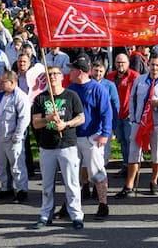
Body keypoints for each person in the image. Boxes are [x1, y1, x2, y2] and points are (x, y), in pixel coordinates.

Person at [30, 66, 85, 230]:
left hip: (67, 145)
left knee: (71, 183)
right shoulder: (40, 98)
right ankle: (45, 214)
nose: (52, 76)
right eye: (49, 74)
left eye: (56, 74)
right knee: (47, 184)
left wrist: (66, 124)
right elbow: (35, 123)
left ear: (62, 76)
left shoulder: (71, 96)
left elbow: (81, 117)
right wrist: (48, 119)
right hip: (47, 146)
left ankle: (76, 215)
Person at [117, 54, 158, 198]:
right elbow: (132, 100)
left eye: (157, 65)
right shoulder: (139, 81)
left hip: (157, 124)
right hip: (139, 123)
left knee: (157, 154)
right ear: (148, 65)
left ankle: (153, 181)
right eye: (152, 65)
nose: (154, 68)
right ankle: (129, 184)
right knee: (134, 153)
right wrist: (134, 118)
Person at [67, 54, 113, 218]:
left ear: (79, 72)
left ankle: (103, 204)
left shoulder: (97, 89)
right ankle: (71, 205)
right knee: (71, 173)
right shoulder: (71, 88)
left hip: (91, 136)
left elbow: (107, 113)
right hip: (73, 137)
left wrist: (105, 134)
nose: (69, 72)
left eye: (72, 70)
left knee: (97, 172)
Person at [0, 70, 31, 203]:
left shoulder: (20, 96)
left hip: (12, 137)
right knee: (1, 164)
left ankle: (21, 190)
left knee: (16, 165)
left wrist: (17, 135)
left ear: (12, 82)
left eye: (3, 82)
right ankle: (5, 188)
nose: (0, 84)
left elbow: (24, 118)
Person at [106, 53, 139, 175]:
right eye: (118, 62)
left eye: (123, 62)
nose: (120, 64)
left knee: (131, 142)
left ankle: (133, 168)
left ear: (128, 63)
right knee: (122, 141)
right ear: (115, 63)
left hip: (129, 115)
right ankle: (126, 165)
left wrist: (134, 112)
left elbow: (138, 96)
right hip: (115, 116)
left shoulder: (135, 77)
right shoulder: (110, 77)